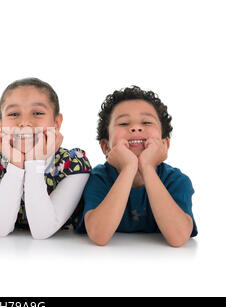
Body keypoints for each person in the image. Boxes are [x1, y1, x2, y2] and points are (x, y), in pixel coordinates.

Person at [75, 86, 198, 247]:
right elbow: (99, 235)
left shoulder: (176, 180)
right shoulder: (98, 178)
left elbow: (179, 237)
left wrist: (147, 167)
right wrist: (129, 167)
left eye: (146, 122)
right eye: (124, 123)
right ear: (106, 146)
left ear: (164, 144)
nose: (135, 128)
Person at [0, 78, 91, 239]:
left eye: (38, 113)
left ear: (56, 122)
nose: (25, 123)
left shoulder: (74, 164)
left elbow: (42, 230)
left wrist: (34, 163)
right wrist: (16, 165)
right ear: (1, 123)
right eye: (13, 114)